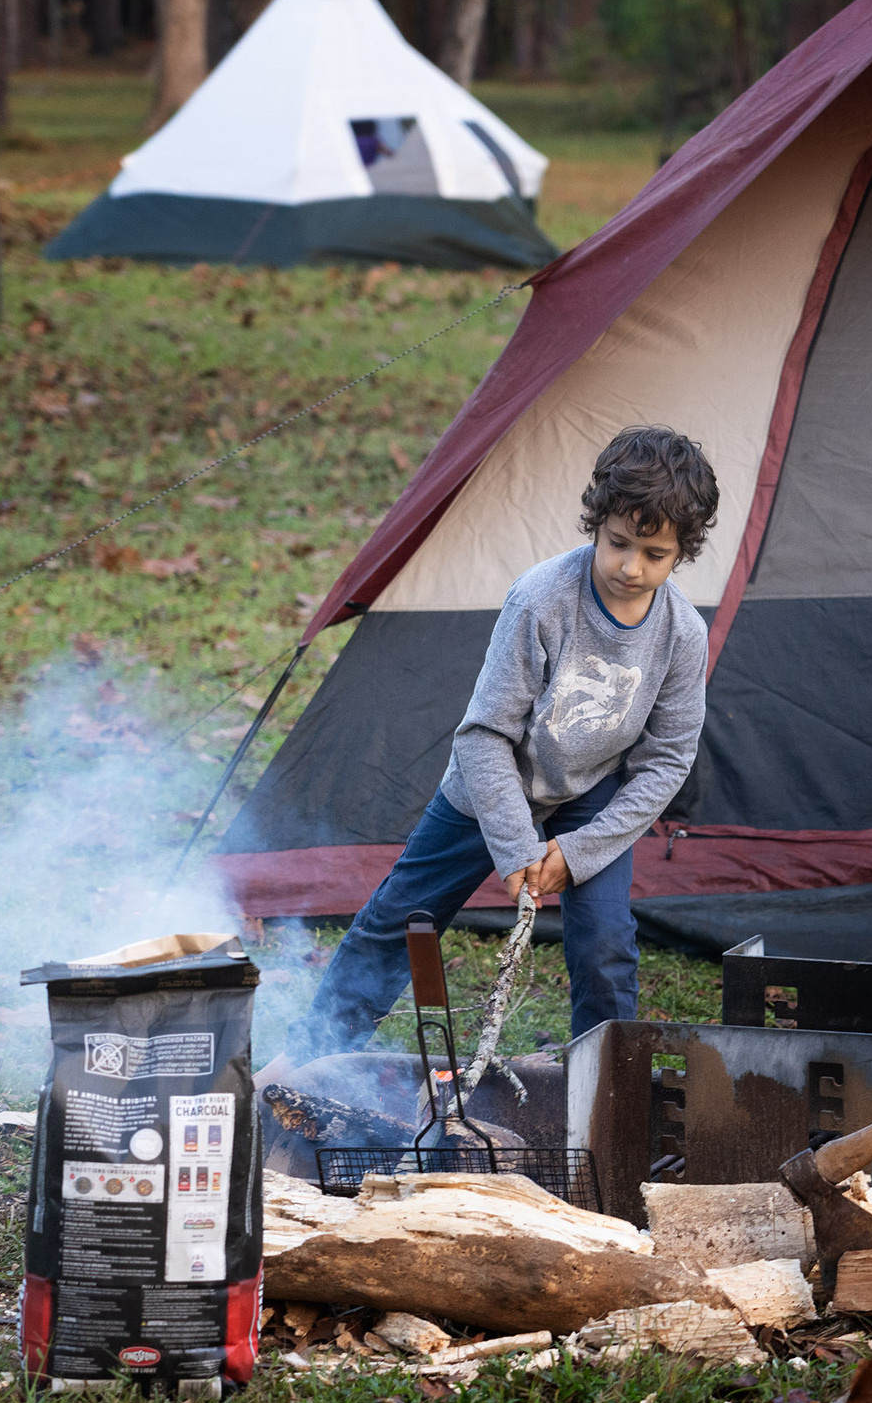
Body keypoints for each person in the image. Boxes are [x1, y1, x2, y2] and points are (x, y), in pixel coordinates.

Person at [282, 427, 719, 1062]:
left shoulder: (683, 634)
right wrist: (515, 845)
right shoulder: (541, 599)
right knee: (400, 920)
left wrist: (577, 851)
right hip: (493, 783)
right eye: (618, 544)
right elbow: (484, 735)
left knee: (605, 945)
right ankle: (307, 1058)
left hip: (590, 795)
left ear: (682, 552)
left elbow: (668, 759)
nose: (630, 567)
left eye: (653, 554)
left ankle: (611, 1086)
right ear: (595, 524)